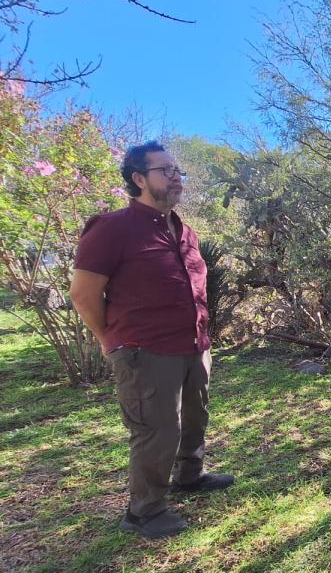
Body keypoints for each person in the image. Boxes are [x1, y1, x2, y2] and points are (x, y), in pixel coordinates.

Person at [70, 141, 234, 539]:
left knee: (195, 416)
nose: (176, 177)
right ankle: (144, 511)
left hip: (194, 345)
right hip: (144, 351)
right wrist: (110, 338)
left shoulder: (185, 231)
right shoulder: (112, 228)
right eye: (166, 170)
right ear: (138, 178)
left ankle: (189, 477)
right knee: (156, 429)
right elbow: (83, 294)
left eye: (178, 170)